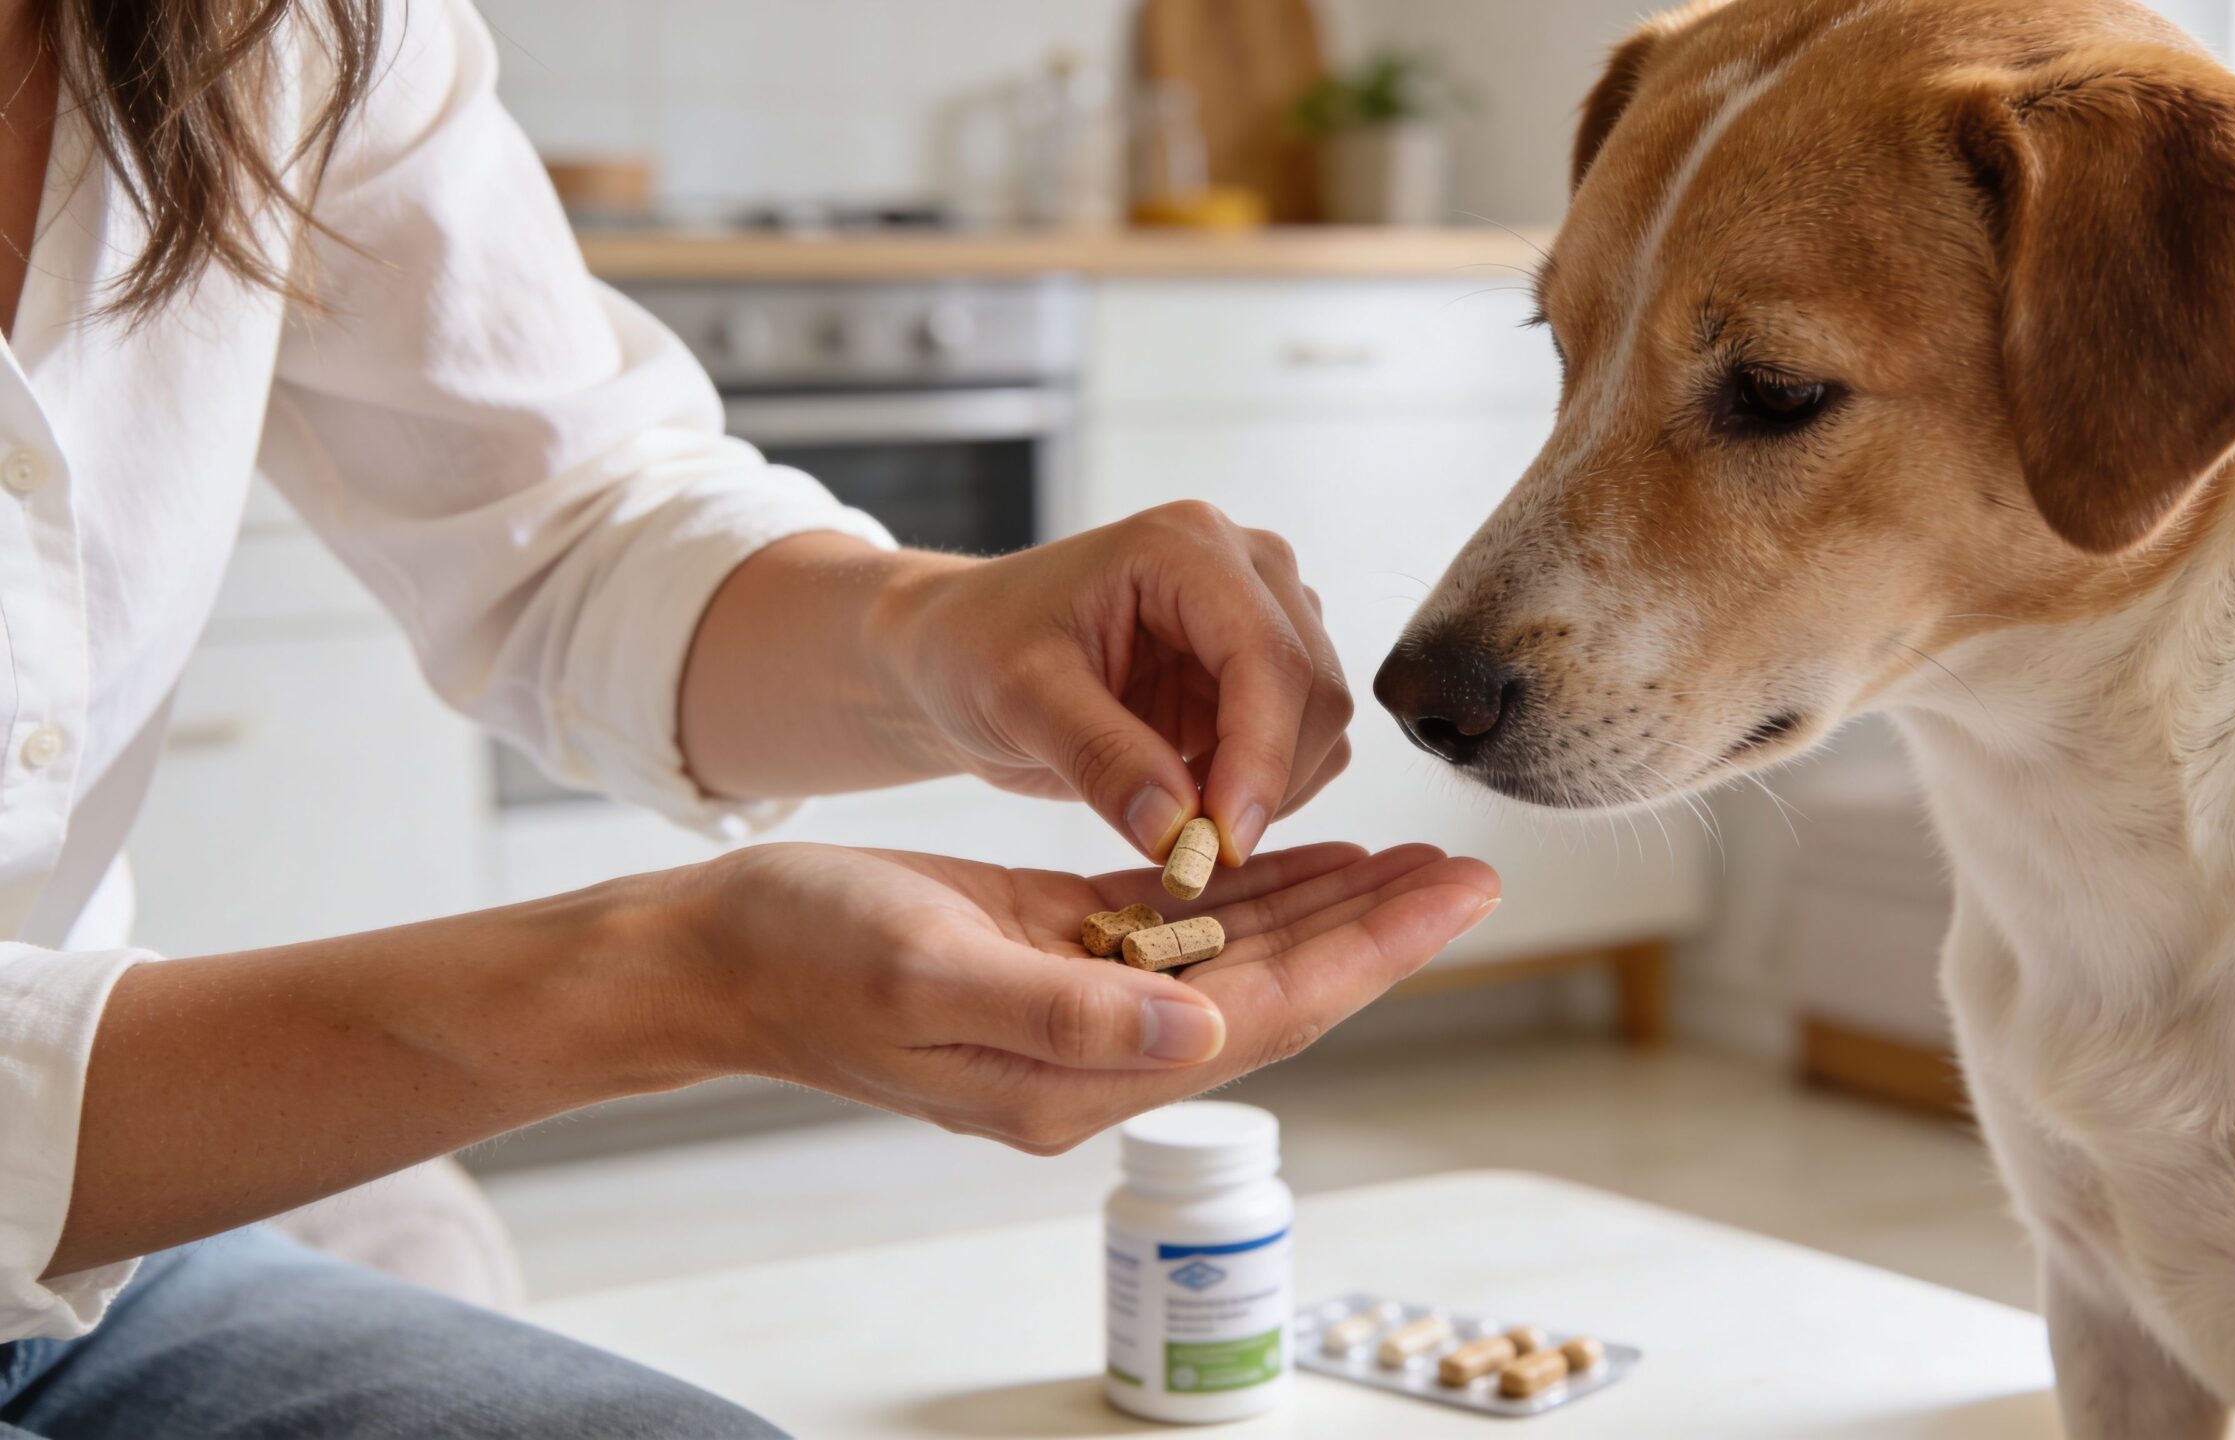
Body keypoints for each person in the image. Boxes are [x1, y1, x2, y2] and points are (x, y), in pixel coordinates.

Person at [0, 0, 1502, 1432]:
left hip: (95, 1277)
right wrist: (667, 978)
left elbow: (572, 530)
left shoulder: (291, 33)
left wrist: (940, 631)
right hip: (92, 1172)